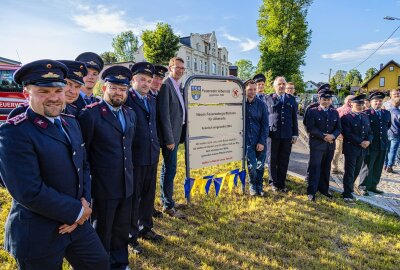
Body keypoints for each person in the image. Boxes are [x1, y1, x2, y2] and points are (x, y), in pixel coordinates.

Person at [0, 60, 108, 269]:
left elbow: (83, 164)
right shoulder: (14, 131)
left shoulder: (70, 122)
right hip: (38, 230)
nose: (53, 97)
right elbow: (28, 191)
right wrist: (76, 212)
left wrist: (84, 204)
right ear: (26, 94)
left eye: (58, 90)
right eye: (43, 91)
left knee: (99, 263)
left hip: (76, 222)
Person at [78, 66, 136, 269]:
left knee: (121, 228)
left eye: (123, 89)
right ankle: (102, 265)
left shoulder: (130, 114)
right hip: (103, 186)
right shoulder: (90, 114)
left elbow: (128, 148)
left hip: (126, 183)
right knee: (103, 229)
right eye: (114, 88)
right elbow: (83, 155)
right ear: (104, 88)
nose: (118, 93)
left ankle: (120, 262)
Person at [125, 62, 164, 255]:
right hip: (134, 156)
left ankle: (145, 228)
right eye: (142, 79)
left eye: (149, 80)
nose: (146, 83)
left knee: (148, 195)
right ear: (133, 80)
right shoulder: (126, 98)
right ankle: (130, 237)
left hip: (151, 153)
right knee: (134, 198)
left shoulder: (151, 99)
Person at [157, 57, 187, 218]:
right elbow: (164, 115)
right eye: (177, 67)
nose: (180, 70)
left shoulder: (178, 86)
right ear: (170, 68)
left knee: (169, 169)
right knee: (170, 169)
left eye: (183, 68)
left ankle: (165, 199)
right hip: (170, 137)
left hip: (177, 133)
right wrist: (169, 139)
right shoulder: (166, 85)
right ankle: (168, 205)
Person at [305, 88, 341, 202]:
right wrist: (324, 136)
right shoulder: (312, 111)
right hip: (317, 144)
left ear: (331, 100)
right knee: (315, 168)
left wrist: (333, 136)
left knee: (326, 168)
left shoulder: (334, 112)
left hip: (330, 145)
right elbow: (311, 128)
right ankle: (311, 191)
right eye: (324, 99)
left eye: (328, 99)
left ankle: (324, 189)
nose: (326, 101)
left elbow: (339, 128)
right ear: (319, 99)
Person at [265, 76, 298, 192]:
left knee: (284, 160)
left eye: (283, 84)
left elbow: (294, 118)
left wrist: (295, 134)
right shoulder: (268, 98)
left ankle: (282, 183)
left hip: (287, 135)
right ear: (274, 86)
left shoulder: (291, 99)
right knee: (272, 159)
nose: (282, 86)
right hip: (272, 134)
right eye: (279, 84)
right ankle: (273, 182)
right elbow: (265, 118)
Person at [341, 94, 373, 203]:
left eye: (362, 104)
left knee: (356, 171)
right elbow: (347, 133)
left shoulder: (365, 116)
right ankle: (347, 193)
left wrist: (368, 141)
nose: (360, 106)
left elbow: (370, 132)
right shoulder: (346, 117)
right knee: (349, 171)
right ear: (351, 104)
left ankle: (350, 189)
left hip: (363, 149)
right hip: (351, 148)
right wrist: (361, 142)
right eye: (358, 104)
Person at [358, 92, 391, 195]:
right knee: (367, 166)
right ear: (371, 102)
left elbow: (387, 126)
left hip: (383, 144)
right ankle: (362, 186)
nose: (378, 103)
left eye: (380, 101)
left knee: (378, 166)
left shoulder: (386, 113)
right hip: (371, 144)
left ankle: (373, 186)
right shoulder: (366, 113)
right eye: (375, 101)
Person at [244, 79, 269, 196]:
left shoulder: (262, 105)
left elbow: (265, 125)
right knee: (251, 165)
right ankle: (252, 185)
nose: (252, 92)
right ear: (245, 90)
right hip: (247, 142)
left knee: (260, 165)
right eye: (250, 89)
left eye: (254, 89)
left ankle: (259, 185)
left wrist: (262, 142)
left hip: (260, 141)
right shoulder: (240, 104)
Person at [331, 94, 355, 174]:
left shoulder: (339, 109)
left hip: (341, 134)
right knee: (341, 151)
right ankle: (336, 168)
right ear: (349, 101)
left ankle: (335, 167)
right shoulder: (347, 110)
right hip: (343, 134)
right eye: (353, 100)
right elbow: (338, 122)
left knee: (338, 151)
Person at [384, 98, 400, 173]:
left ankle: (385, 165)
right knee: (393, 150)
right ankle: (389, 166)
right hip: (396, 133)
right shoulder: (398, 112)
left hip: (388, 132)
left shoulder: (388, 111)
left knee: (387, 150)